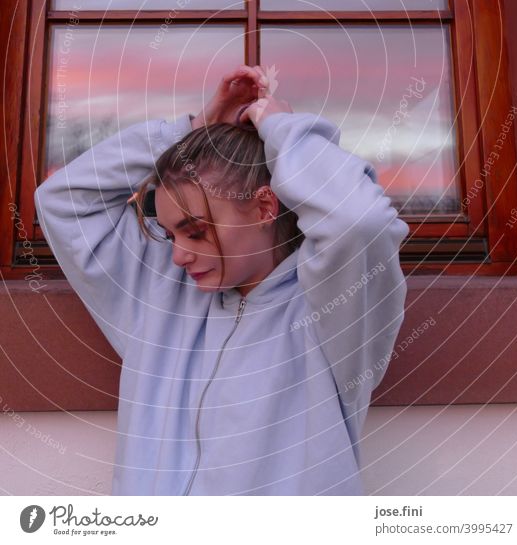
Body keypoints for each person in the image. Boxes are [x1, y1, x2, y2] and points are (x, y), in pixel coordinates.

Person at [34, 63, 409, 496]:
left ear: (266, 207)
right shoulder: (157, 299)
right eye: (168, 231)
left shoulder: (333, 313)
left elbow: (358, 221)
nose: (177, 255)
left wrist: (283, 129)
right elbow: (61, 201)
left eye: (196, 230)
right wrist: (195, 130)